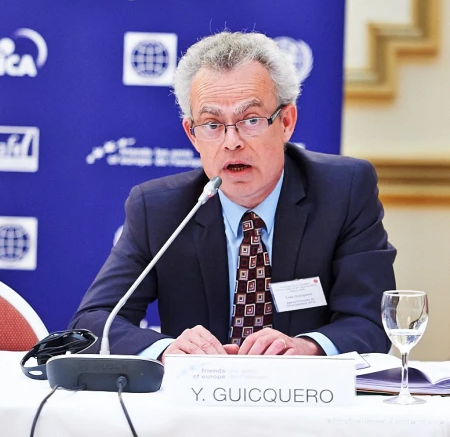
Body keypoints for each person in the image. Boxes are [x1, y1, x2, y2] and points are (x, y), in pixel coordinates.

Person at [70, 31, 396, 359]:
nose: (232, 142)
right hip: (195, 403)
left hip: (304, 399)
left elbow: (371, 323)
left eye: (250, 120)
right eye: (212, 124)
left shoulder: (344, 191)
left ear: (287, 121)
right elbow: (92, 323)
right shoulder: (159, 209)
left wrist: (305, 347)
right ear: (192, 134)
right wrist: (166, 350)